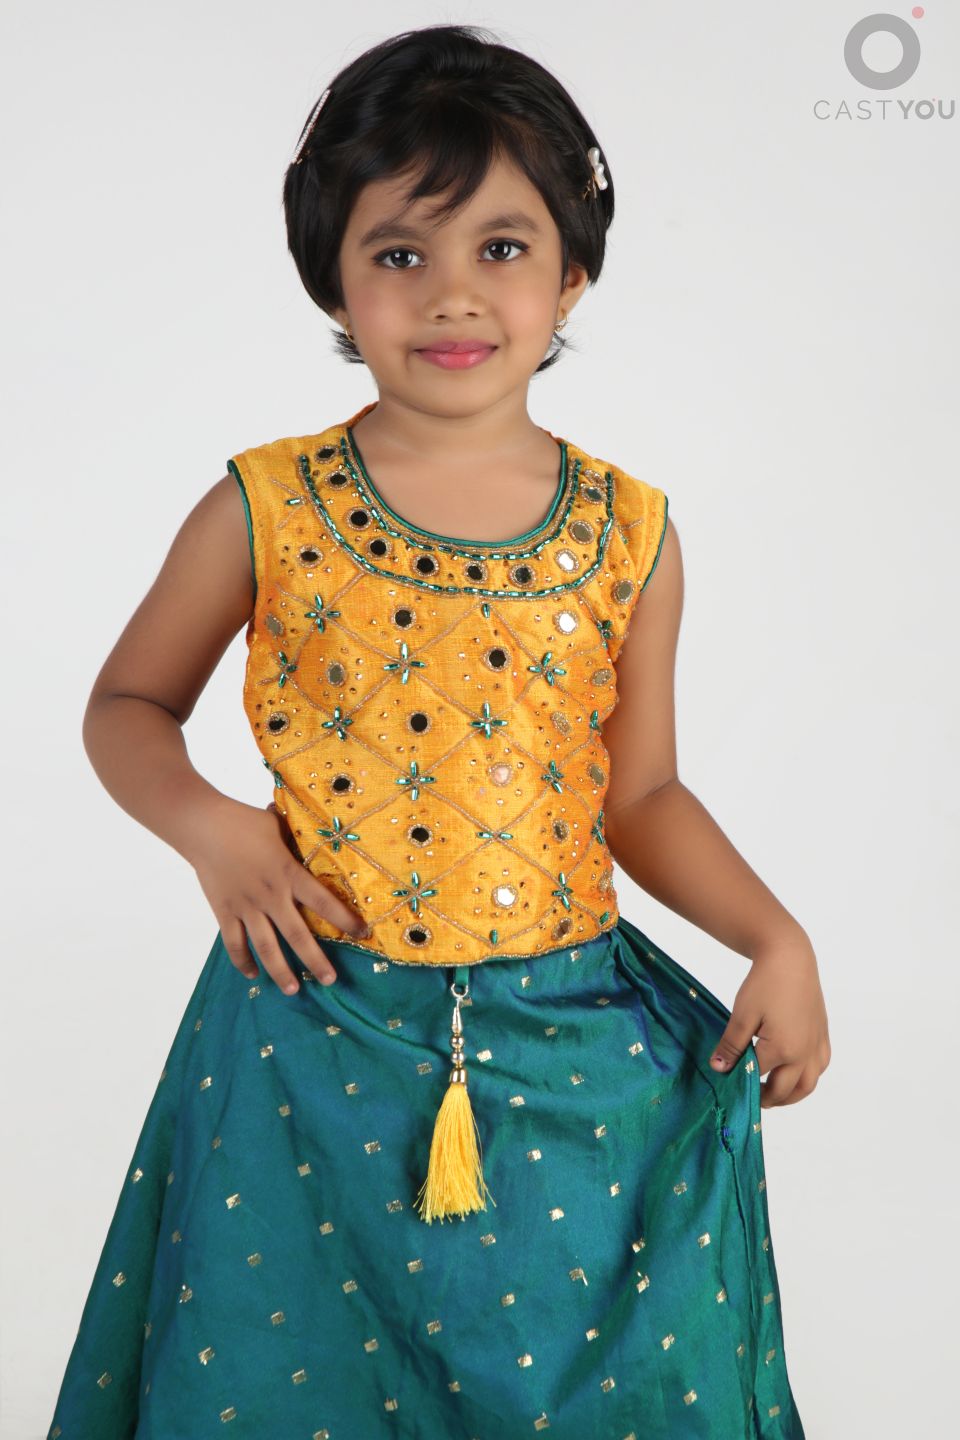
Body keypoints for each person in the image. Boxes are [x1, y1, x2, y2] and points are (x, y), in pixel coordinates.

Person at [47, 22, 827, 1440]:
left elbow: (643, 794)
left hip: (565, 1055)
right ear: (333, 280)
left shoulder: (631, 533)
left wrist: (777, 937)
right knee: (288, 1381)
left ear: (573, 272)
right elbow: (125, 707)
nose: (453, 293)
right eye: (400, 253)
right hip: (306, 1039)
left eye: (502, 248)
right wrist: (212, 831)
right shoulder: (264, 507)